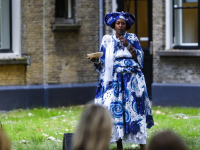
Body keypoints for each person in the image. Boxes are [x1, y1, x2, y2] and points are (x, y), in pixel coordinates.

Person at [87, 12, 154, 150]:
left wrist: (129, 45)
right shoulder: (107, 40)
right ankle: (119, 145)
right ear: (114, 25)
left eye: (123, 23)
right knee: (115, 112)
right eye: (118, 23)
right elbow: (103, 63)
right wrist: (96, 60)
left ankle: (143, 146)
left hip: (132, 82)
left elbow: (140, 58)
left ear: (127, 25)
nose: (120, 25)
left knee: (136, 112)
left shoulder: (133, 38)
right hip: (114, 81)